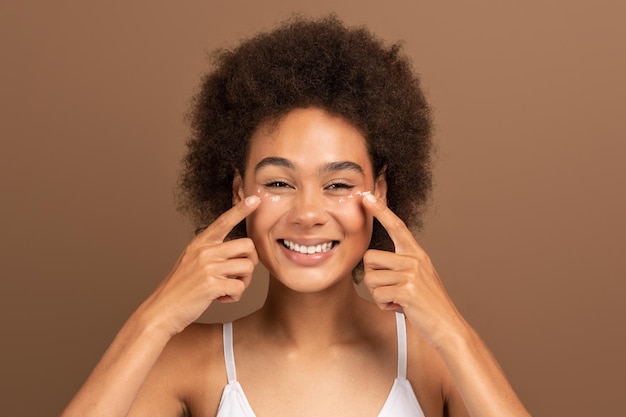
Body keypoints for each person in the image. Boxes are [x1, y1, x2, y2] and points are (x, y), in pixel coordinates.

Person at [60, 15, 530, 417]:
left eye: (339, 185)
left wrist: (451, 328)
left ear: (380, 190)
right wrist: (155, 319)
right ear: (239, 190)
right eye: (279, 183)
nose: (308, 213)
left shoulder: (432, 354)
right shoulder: (187, 362)